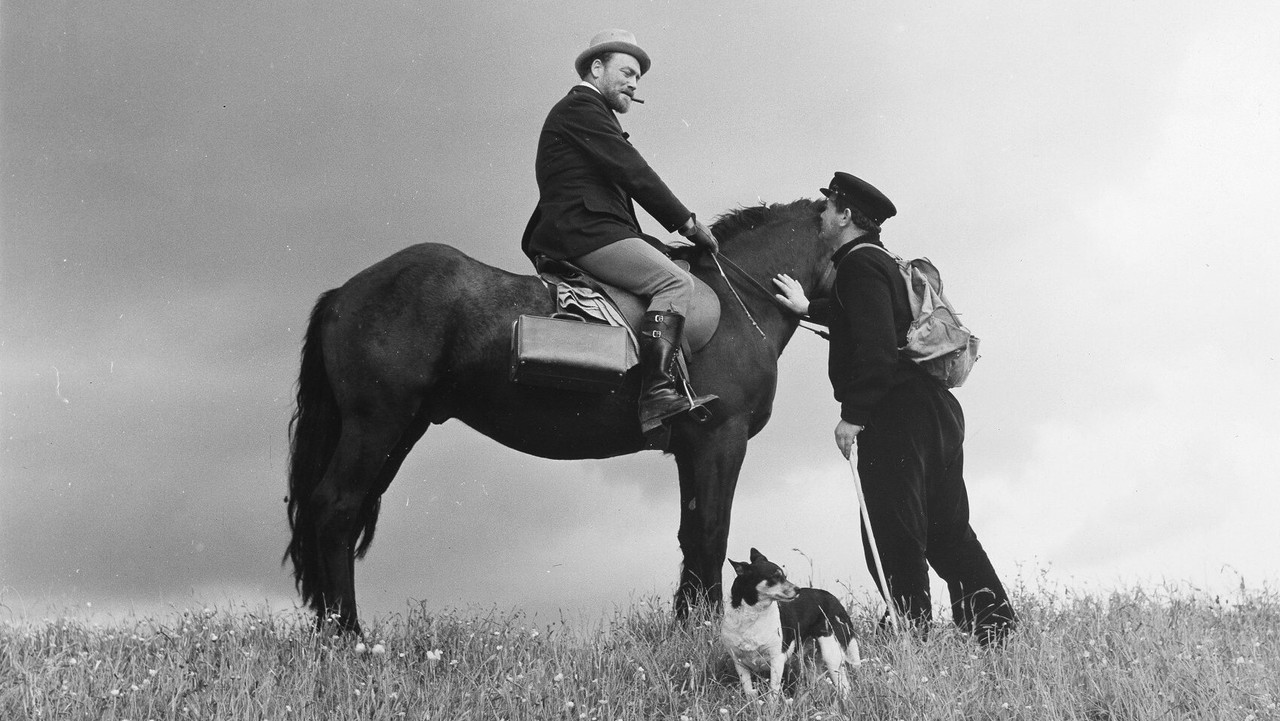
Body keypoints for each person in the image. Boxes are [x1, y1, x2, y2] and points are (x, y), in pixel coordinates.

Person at [771, 172, 1017, 645]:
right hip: (934, 410)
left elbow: (878, 351)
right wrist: (809, 307)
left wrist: (853, 416)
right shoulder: (880, 262)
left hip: (894, 415)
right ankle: (997, 631)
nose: (820, 216)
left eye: (827, 208)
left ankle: (913, 635)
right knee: (948, 530)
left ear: (845, 216)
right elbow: (868, 317)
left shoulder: (858, 267)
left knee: (892, 532)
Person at [522, 29, 718, 444]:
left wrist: (661, 245)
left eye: (638, 79)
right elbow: (634, 172)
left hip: (594, 229)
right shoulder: (581, 107)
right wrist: (688, 223)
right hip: (583, 233)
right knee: (674, 281)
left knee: (671, 262)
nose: (634, 83)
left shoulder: (592, 113)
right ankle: (658, 394)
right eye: (627, 73)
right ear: (597, 69)